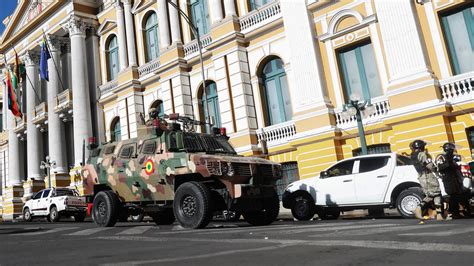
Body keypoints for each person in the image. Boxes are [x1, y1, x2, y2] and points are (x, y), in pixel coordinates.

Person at [436, 143, 471, 218]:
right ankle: (454, 213)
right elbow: (440, 167)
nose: (452, 151)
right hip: (447, 178)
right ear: (448, 149)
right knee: (452, 196)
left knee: (456, 195)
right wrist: (449, 163)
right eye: (451, 150)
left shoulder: (451, 157)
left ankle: (457, 212)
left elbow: (455, 166)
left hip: (454, 178)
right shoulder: (441, 157)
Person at [411, 140, 443, 220]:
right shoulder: (422, 154)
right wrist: (436, 170)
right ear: (421, 147)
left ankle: (418, 209)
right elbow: (429, 165)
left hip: (421, 177)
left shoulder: (413, 155)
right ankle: (439, 215)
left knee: (429, 196)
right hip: (428, 176)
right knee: (437, 193)